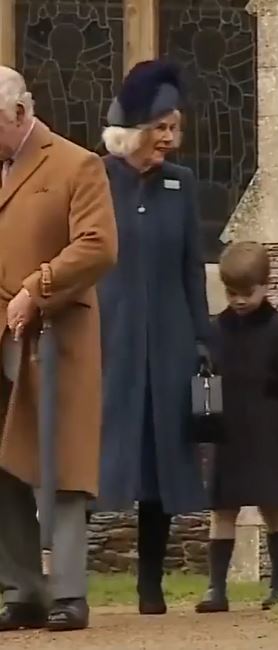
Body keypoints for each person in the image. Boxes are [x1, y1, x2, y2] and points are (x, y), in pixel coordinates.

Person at [0, 66, 117, 631]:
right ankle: (23, 588)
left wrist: (36, 288)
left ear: (21, 113)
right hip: (1, 336)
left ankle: (69, 592)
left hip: (58, 334)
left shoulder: (76, 164)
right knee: (2, 464)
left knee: (64, 464)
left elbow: (98, 247)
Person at [96, 60, 210, 615]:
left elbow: (193, 267)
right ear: (134, 129)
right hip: (107, 339)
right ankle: (65, 577)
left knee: (162, 458)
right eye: (160, 126)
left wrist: (202, 339)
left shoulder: (181, 184)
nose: (169, 138)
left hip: (168, 339)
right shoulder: (94, 177)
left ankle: (150, 584)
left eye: (175, 127)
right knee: (95, 453)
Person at [195, 242, 278, 613]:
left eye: (246, 293)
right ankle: (216, 589)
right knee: (222, 510)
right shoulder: (213, 331)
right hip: (228, 432)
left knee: (273, 508)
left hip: (272, 431)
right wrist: (203, 426)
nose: (238, 300)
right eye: (231, 292)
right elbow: (204, 379)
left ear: (266, 285)